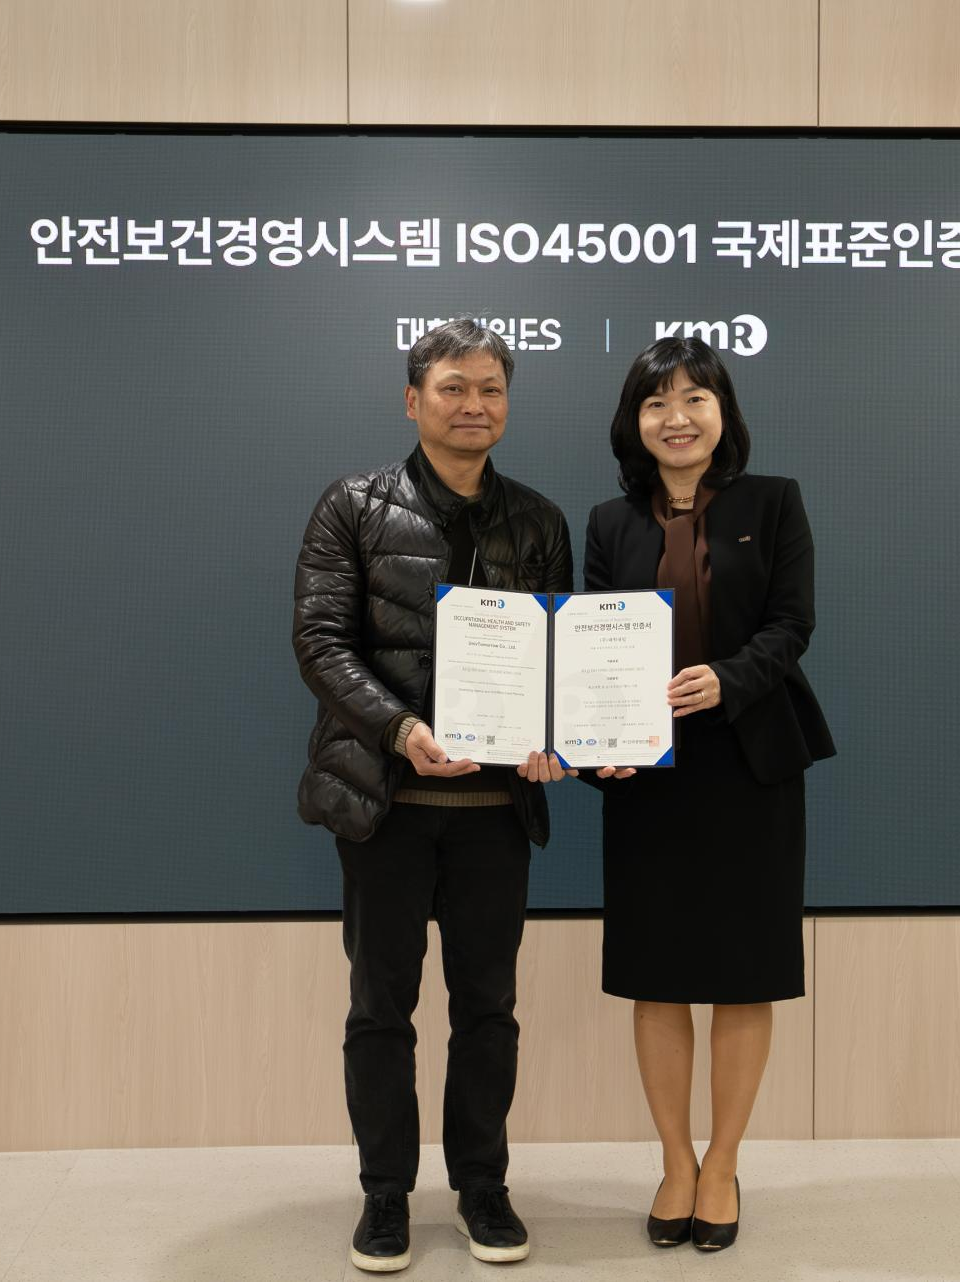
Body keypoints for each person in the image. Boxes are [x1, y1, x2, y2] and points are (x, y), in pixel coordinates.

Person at [293, 317, 574, 1273]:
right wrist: (403, 730)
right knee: (381, 1008)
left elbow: (555, 659)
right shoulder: (353, 506)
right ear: (413, 400)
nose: (473, 405)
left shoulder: (539, 520)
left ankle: (483, 1186)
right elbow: (320, 643)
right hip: (385, 807)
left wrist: (555, 735)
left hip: (496, 816)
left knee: (488, 1009)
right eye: (453, 387)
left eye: (491, 388)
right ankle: (384, 1195)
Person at [581, 336, 835, 1252]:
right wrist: (598, 743)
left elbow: (792, 622)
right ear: (635, 422)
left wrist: (728, 678)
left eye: (695, 398)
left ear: (723, 413)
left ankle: (723, 1163)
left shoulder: (774, 502)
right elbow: (594, 642)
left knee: (740, 971)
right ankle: (674, 1162)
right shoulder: (610, 521)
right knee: (656, 974)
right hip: (648, 778)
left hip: (748, 764)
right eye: (657, 403)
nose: (676, 417)